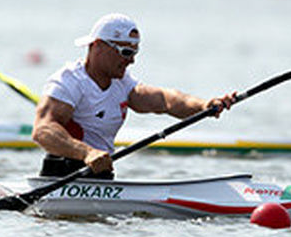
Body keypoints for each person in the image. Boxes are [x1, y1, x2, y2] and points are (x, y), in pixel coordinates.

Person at [32, 13, 236, 178]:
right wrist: (87, 153)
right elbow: (43, 130)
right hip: (61, 175)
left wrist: (204, 105)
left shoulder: (122, 83)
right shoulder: (68, 82)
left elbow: (166, 100)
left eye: (135, 52)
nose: (131, 61)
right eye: (126, 52)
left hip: (100, 175)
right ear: (98, 47)